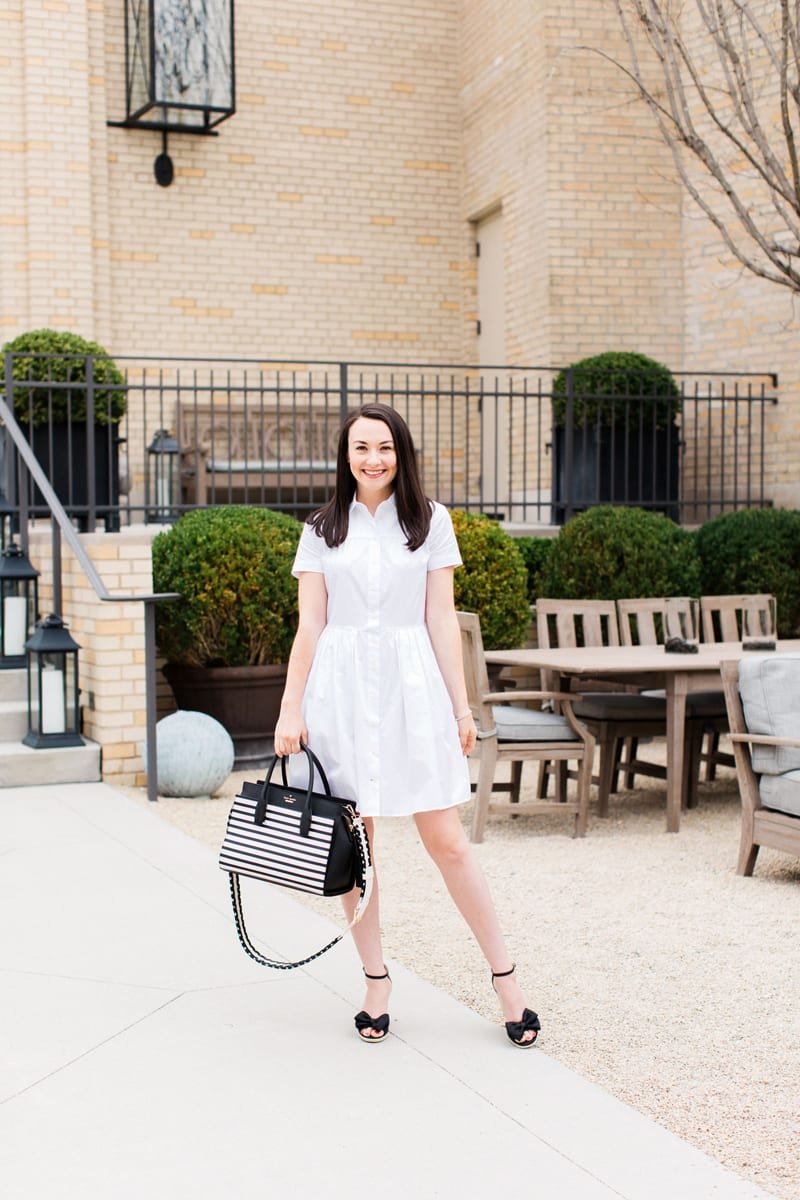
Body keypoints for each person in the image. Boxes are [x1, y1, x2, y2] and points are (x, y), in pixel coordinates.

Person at [273, 403, 540, 1048]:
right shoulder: (320, 528)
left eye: (385, 447)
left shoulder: (430, 521)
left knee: (447, 840)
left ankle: (506, 982)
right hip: (338, 694)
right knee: (355, 851)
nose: (372, 459)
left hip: (411, 692)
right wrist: (290, 706)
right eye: (361, 447)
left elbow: (442, 620)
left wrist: (461, 707)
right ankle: (375, 982)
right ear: (345, 454)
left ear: (402, 453)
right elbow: (310, 625)